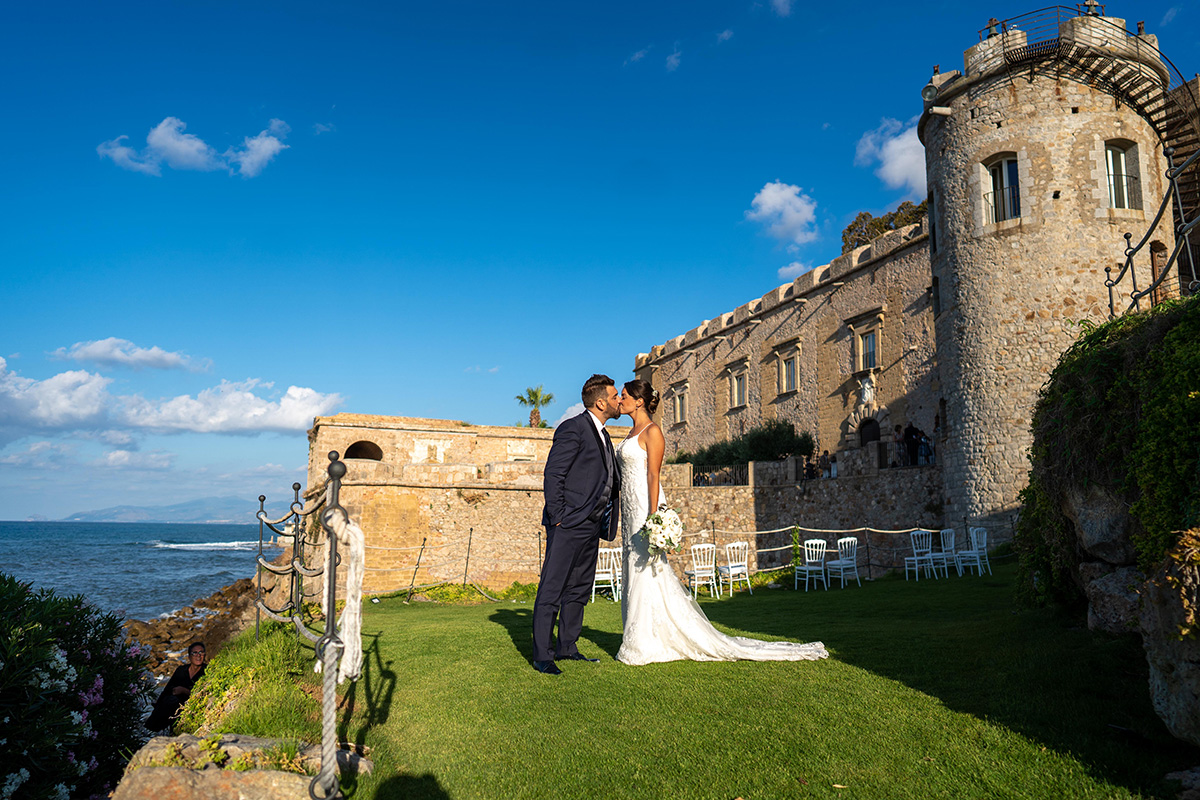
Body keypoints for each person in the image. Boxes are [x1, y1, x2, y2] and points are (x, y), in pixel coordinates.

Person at [614, 379, 828, 665]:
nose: (620, 399)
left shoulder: (653, 432)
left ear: (639, 401)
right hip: (628, 507)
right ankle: (642, 635)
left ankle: (641, 644)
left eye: (624, 396)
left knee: (646, 566)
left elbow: (654, 475)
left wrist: (654, 516)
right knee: (635, 566)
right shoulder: (631, 431)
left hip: (643, 504)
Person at [532, 374, 622, 675]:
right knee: (552, 588)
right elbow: (553, 475)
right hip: (568, 524)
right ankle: (542, 655)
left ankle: (567, 648)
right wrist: (559, 517)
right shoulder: (574, 428)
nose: (619, 400)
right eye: (614, 396)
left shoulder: (604, 435)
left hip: (591, 525)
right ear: (600, 402)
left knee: (579, 589)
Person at [146, 641, 206, 732]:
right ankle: (149, 730)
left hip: (191, 706)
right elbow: (167, 689)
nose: (198, 655)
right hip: (173, 705)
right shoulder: (181, 670)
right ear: (189, 656)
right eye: (195, 653)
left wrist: (184, 691)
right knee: (167, 702)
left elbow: (203, 695)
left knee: (172, 702)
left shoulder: (206, 671)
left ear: (204, 655)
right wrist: (158, 705)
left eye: (201, 652)